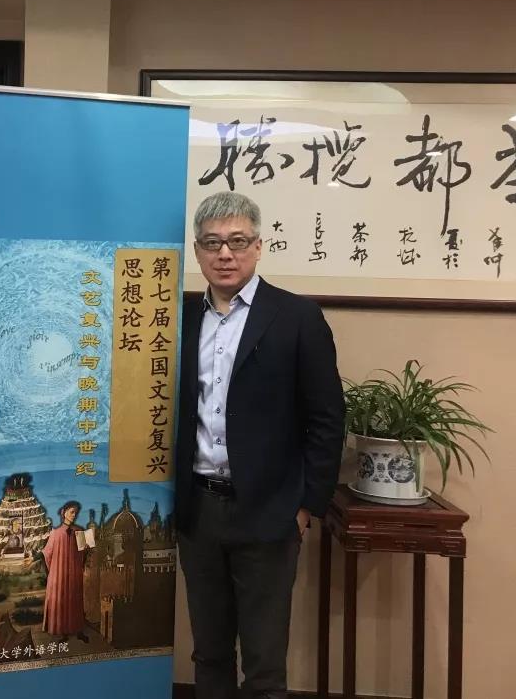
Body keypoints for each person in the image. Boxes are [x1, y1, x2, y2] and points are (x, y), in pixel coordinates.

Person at [174, 191, 345, 699]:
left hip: (269, 512)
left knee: (265, 665)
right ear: (198, 251)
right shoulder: (181, 318)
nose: (225, 254)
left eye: (237, 241)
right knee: (208, 653)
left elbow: (326, 417)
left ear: (258, 246)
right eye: (212, 243)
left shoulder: (297, 317)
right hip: (199, 510)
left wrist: (307, 505)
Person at [40, 500, 89, 642]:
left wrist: (86, 550)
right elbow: (47, 554)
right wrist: (52, 574)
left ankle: (78, 630)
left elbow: (84, 554)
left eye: (76, 512)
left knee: (75, 600)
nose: (74, 515)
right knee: (61, 600)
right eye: (72, 512)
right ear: (64, 513)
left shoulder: (80, 531)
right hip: (59, 574)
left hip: (74, 573)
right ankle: (63, 632)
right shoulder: (55, 533)